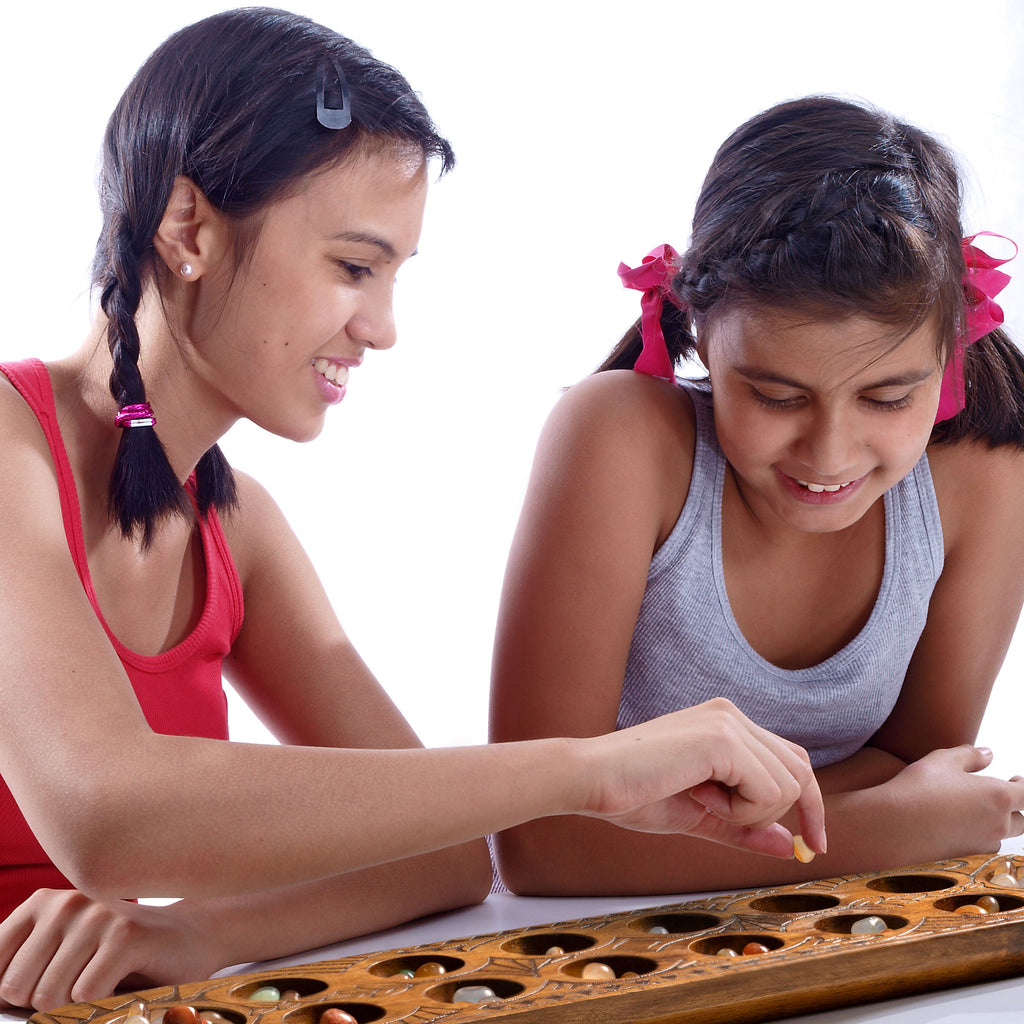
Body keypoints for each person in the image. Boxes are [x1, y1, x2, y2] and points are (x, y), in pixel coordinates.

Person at [0, 9, 825, 1012]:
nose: (383, 329)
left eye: (394, 275)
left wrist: (202, 929)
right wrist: (589, 769)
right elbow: (105, 812)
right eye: (353, 265)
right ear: (189, 227)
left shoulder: (237, 529)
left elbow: (442, 862)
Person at [489, 95, 1024, 897]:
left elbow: (926, 768)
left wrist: (662, 820)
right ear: (700, 332)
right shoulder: (621, 439)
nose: (829, 454)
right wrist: (886, 826)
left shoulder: (988, 477)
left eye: (886, 399)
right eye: (776, 396)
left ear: (952, 349)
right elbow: (541, 844)